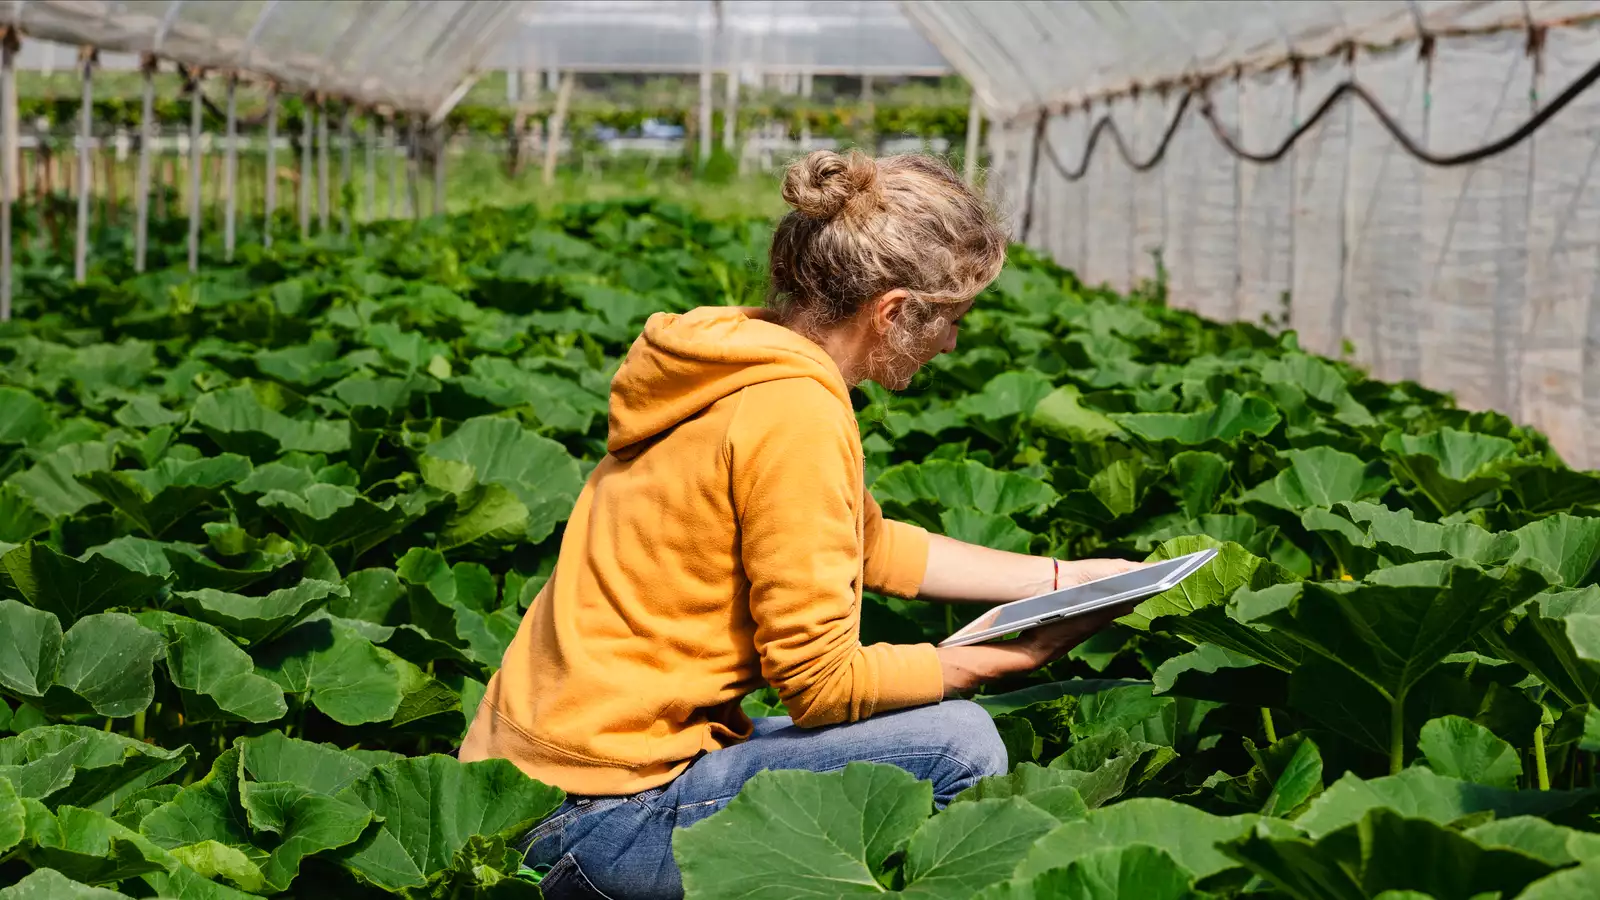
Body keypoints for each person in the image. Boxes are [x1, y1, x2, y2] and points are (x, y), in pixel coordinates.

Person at [458, 149, 1141, 900]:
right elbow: (818, 685)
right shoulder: (796, 412)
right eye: (950, 321)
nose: (951, 343)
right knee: (961, 745)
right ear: (890, 311)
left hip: (523, 791)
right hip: (601, 818)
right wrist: (999, 660)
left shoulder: (735, 361)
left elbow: (867, 543)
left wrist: (1062, 580)